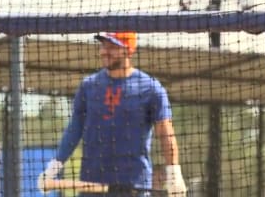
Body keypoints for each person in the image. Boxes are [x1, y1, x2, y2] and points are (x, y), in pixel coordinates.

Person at [38, 32, 187, 197]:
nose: (104, 51)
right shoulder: (89, 86)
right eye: (103, 46)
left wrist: (174, 172)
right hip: (91, 185)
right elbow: (75, 129)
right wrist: (55, 165)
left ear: (129, 50)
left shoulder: (151, 88)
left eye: (112, 47)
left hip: (132, 187)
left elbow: (165, 131)